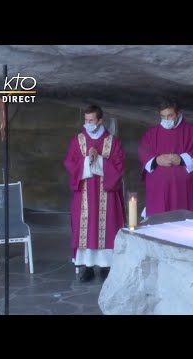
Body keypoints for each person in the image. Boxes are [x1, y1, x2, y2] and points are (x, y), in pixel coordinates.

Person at [64, 105, 126, 282]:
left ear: (100, 121)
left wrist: (98, 160)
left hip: (108, 193)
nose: (88, 124)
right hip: (84, 193)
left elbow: (119, 167)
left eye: (92, 120)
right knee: (86, 228)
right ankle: (88, 267)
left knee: (108, 228)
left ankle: (107, 266)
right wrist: (86, 161)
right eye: (86, 120)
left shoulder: (113, 142)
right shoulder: (78, 141)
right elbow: (70, 163)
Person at [138, 97, 193, 217]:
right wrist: (156, 160)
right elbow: (143, 150)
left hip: (183, 189)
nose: (166, 119)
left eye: (170, 116)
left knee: (183, 222)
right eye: (163, 116)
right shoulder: (152, 133)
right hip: (159, 190)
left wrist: (182, 159)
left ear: (178, 114)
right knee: (159, 222)